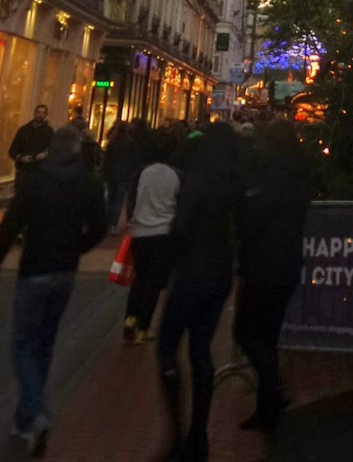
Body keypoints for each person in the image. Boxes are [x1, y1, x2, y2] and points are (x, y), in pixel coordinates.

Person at [0, 124, 106, 455]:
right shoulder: (88, 183)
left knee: (24, 344)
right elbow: (99, 228)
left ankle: (34, 413)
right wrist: (76, 249)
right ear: (78, 148)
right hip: (64, 272)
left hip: (34, 269)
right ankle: (25, 418)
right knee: (44, 343)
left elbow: (10, 226)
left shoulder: (36, 180)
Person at [157, 123, 242, 461]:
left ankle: (178, 436)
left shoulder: (198, 180)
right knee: (201, 351)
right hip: (220, 276)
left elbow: (181, 229)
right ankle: (199, 436)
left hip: (192, 275)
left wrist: (164, 267)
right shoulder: (233, 183)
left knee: (166, 347)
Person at [235, 119, 312, 432]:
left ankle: (273, 387)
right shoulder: (299, 174)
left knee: (246, 332)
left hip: (264, 266)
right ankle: (268, 406)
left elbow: (255, 221)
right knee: (267, 335)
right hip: (288, 264)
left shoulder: (270, 177)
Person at [125, 129, 180, 343]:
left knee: (139, 278)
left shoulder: (142, 172)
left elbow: (132, 199)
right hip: (163, 232)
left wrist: (133, 218)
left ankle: (130, 318)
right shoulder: (175, 174)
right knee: (154, 283)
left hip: (140, 231)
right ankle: (143, 327)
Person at [9, 104, 53, 189]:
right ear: (34, 113)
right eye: (38, 112)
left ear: (46, 115)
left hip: (40, 171)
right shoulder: (24, 130)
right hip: (24, 170)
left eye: (43, 113)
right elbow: (13, 150)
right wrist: (21, 158)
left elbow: (53, 148)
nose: (40, 115)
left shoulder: (49, 132)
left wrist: (45, 154)